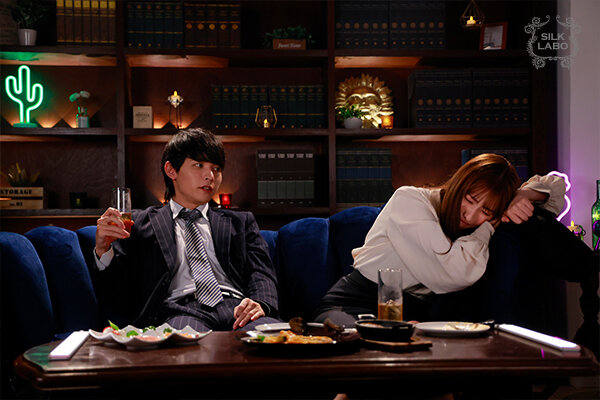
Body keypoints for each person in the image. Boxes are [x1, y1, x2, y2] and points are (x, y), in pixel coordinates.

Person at [313, 153, 567, 326]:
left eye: (486, 211)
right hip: (353, 305)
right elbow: (454, 275)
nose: (470, 215)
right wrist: (489, 226)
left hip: (414, 317)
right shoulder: (409, 200)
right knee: (371, 340)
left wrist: (521, 195)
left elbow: (556, 187)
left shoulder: (473, 227)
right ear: (459, 184)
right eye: (470, 199)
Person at [91, 128, 280, 332]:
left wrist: (260, 303)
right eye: (199, 165)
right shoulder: (137, 224)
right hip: (181, 310)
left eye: (216, 168)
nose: (210, 176)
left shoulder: (241, 222)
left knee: (277, 338)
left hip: (238, 309)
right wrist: (103, 249)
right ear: (171, 170)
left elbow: (261, 272)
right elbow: (117, 298)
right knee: (184, 345)